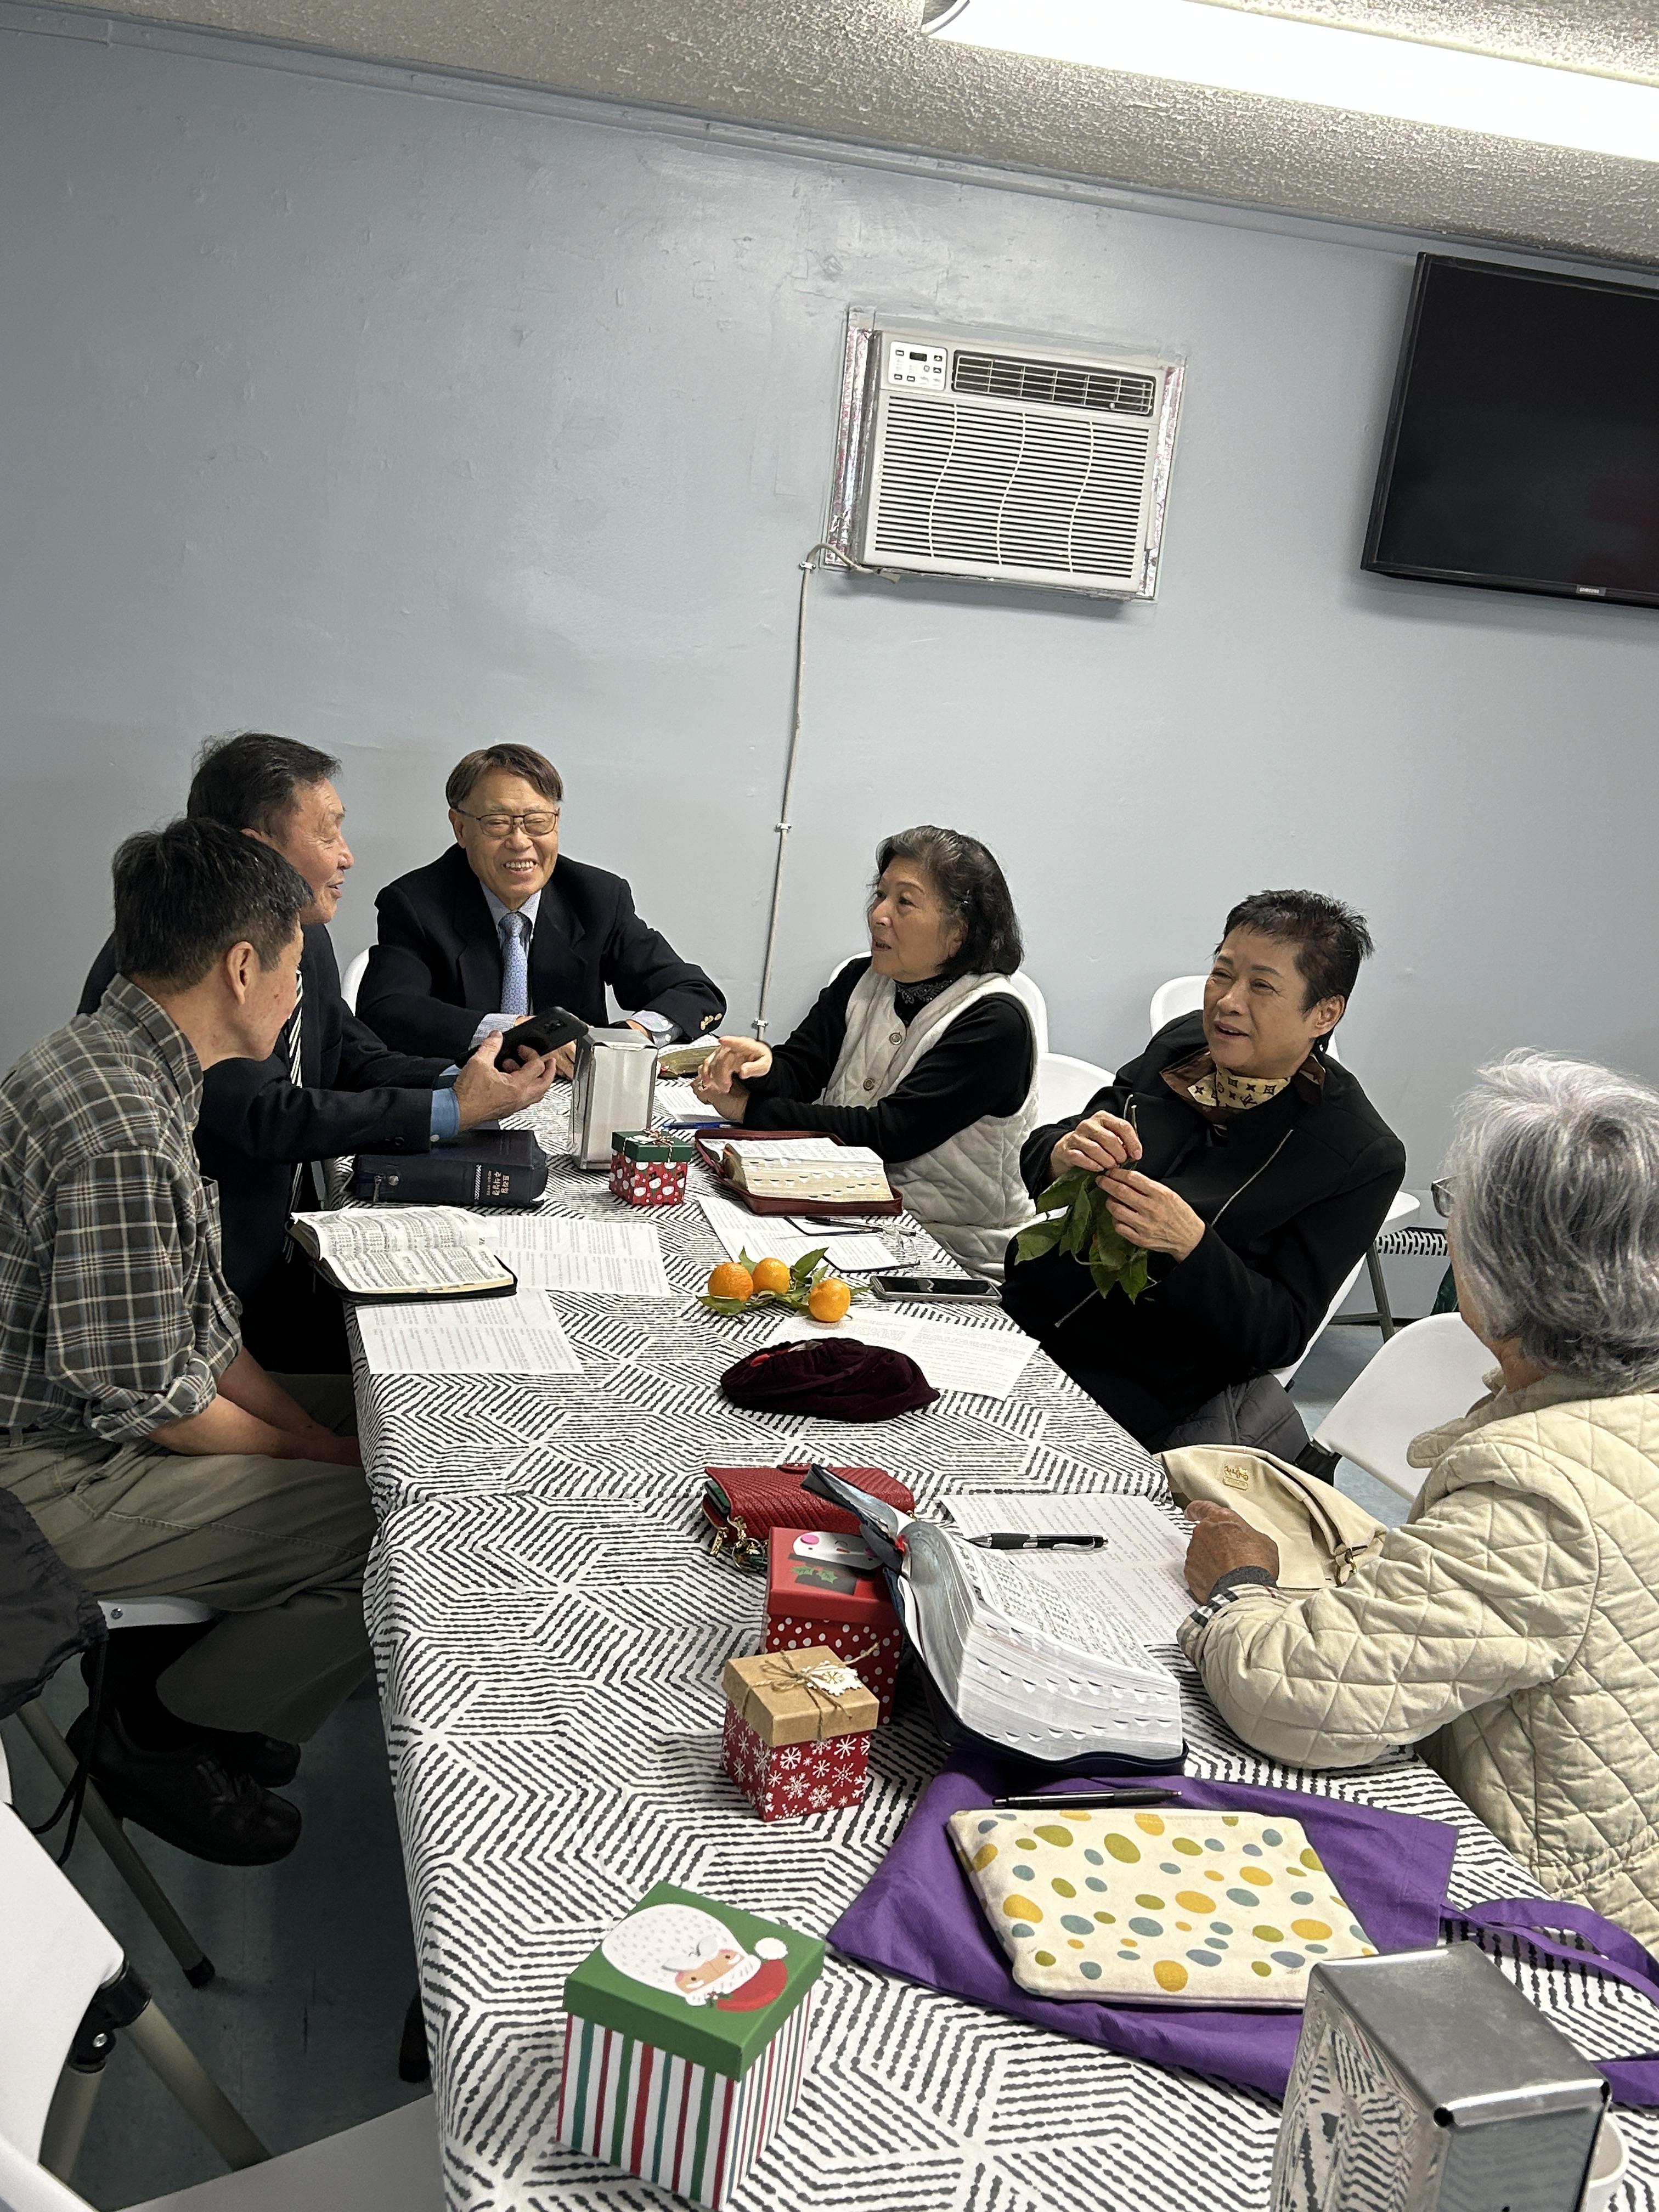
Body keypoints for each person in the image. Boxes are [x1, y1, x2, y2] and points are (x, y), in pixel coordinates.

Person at [1180, 1051, 1659, 1946]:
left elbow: (1294, 1698)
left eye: (1457, 1208)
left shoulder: (1539, 1484)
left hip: (1561, 1929)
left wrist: (1236, 1586)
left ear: (1513, 1264)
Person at [3, 822, 385, 1866]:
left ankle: (227, 1704)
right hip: (40, 1471)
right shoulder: (120, 1125)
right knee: (398, 1535)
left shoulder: (130, 1058)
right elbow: (156, 1401)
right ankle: (157, 1732)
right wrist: (318, 1457)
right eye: (296, 968)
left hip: (93, 1413)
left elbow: (201, 1326)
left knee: (390, 1421)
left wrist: (317, 1434)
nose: (300, 994)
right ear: (242, 965)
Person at [80, 733, 557, 1370]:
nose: (348, 856)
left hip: (283, 1259)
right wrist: (453, 1111)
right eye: (328, 834)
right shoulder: (179, 963)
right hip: (214, 1299)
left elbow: (349, 1053)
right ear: (258, 850)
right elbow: (266, 1115)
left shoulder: (303, 933)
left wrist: (465, 1078)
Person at [1001, 890, 1405, 1447]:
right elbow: (1042, 1152)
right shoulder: (1184, 1045)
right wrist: (1062, 1152)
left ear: (1324, 1013)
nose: (1228, 1002)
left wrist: (1190, 1245)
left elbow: (1281, 1335)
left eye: (1261, 986)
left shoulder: (1358, 1152)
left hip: (1141, 1389)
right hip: (1024, 1316)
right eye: (1222, 974)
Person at [692, 827, 1037, 1276]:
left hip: (951, 1252)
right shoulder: (861, 979)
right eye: (880, 895)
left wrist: (749, 1110)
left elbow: (889, 1134)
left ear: (959, 931)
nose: (878, 915)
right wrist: (761, 1066)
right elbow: (803, 1069)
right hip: (848, 1216)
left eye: (904, 902)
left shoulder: (994, 1022)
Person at [359, 743, 725, 1065]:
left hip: (569, 1096)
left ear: (556, 822)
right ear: (460, 828)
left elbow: (695, 993)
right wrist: (523, 1033)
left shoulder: (597, 898)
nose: (520, 842)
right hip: (465, 1092)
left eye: (537, 822)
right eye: (497, 823)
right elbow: (388, 1010)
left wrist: (625, 1038)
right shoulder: (415, 903)